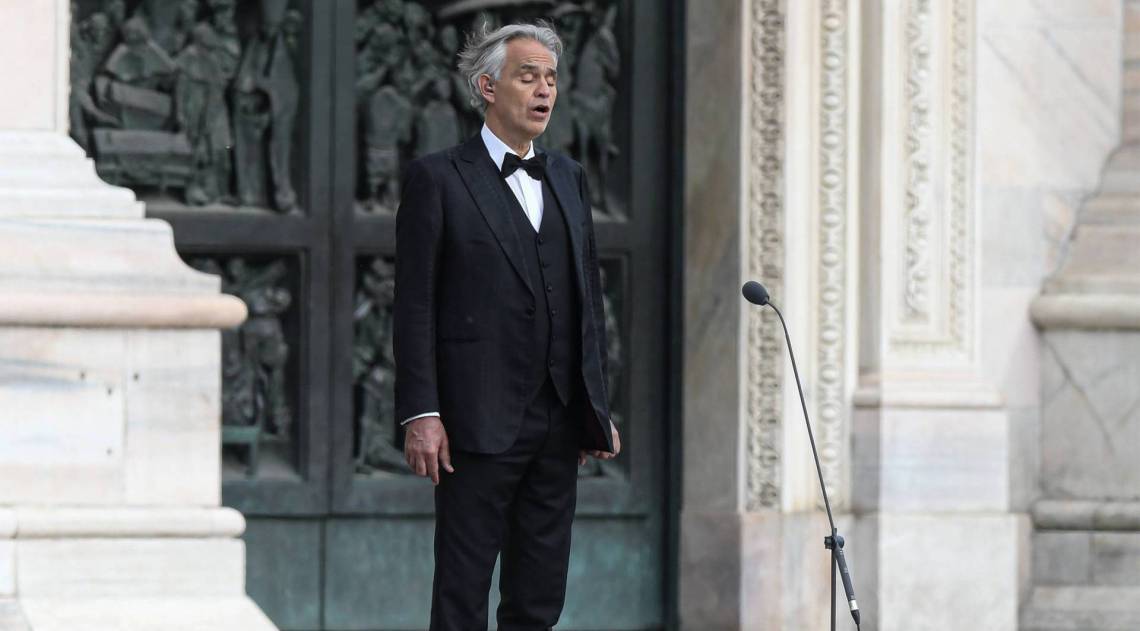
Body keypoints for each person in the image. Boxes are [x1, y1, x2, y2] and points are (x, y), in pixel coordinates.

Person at [393, 21, 620, 631]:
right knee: (462, 595)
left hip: (558, 422)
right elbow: (413, 304)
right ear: (487, 87)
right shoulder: (438, 178)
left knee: (539, 596)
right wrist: (421, 412)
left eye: (551, 78)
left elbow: (586, 298)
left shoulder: (569, 177)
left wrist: (596, 405)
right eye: (528, 77)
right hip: (474, 421)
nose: (544, 89)